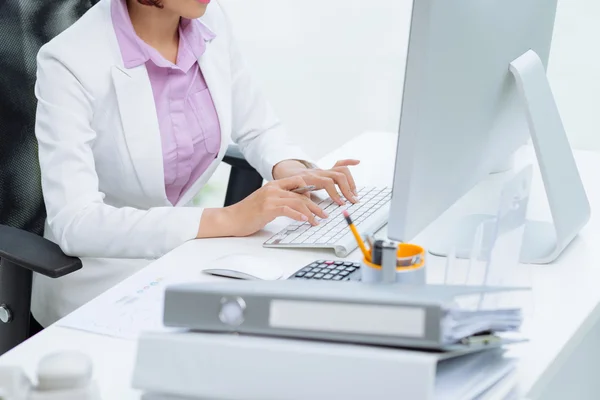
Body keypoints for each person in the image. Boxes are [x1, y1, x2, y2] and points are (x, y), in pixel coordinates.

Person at [32, 0, 360, 327]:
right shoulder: (68, 61)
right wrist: (229, 219)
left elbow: (257, 126)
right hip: (101, 285)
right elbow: (76, 223)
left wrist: (290, 168)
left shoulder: (206, 20)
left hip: (184, 263)